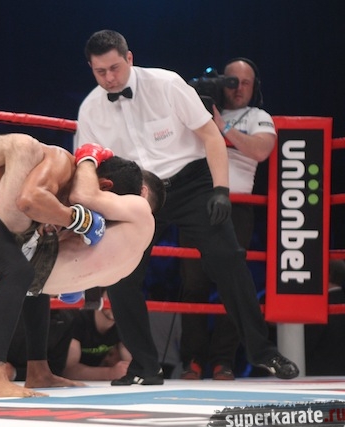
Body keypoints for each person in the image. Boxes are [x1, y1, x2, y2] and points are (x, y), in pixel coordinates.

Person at [74, 29, 299, 385]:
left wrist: (221, 190)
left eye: (114, 68)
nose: (109, 78)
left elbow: (210, 135)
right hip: (136, 194)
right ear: (91, 68)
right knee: (118, 274)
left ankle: (262, 351)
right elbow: (88, 168)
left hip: (191, 183)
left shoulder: (167, 84)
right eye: (100, 72)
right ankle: (144, 366)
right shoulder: (90, 110)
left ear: (129, 58)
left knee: (227, 258)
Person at [0, 81, 163, 397]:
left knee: (33, 277)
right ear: (104, 186)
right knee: (17, 266)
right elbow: (29, 201)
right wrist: (77, 218)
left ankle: (39, 371)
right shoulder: (61, 163)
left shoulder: (59, 187)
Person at [178, 57, 276, 380]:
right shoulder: (200, 113)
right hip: (198, 204)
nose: (239, 88)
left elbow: (261, 150)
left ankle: (224, 360)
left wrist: (223, 127)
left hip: (237, 206)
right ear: (222, 82)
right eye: (232, 81)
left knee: (231, 284)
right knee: (193, 283)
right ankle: (192, 359)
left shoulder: (259, 117)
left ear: (254, 86)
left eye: (246, 83)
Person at [62, 289, 132, 381]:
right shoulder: (79, 318)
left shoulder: (123, 325)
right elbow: (68, 370)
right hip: (70, 384)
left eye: (122, 298)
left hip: (95, 383)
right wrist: (110, 373)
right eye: (112, 296)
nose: (116, 302)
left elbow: (131, 363)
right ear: (100, 296)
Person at [305, 259, 345, 376]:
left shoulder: (318, 306)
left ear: (326, 275)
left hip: (318, 375)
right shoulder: (339, 300)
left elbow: (306, 344)